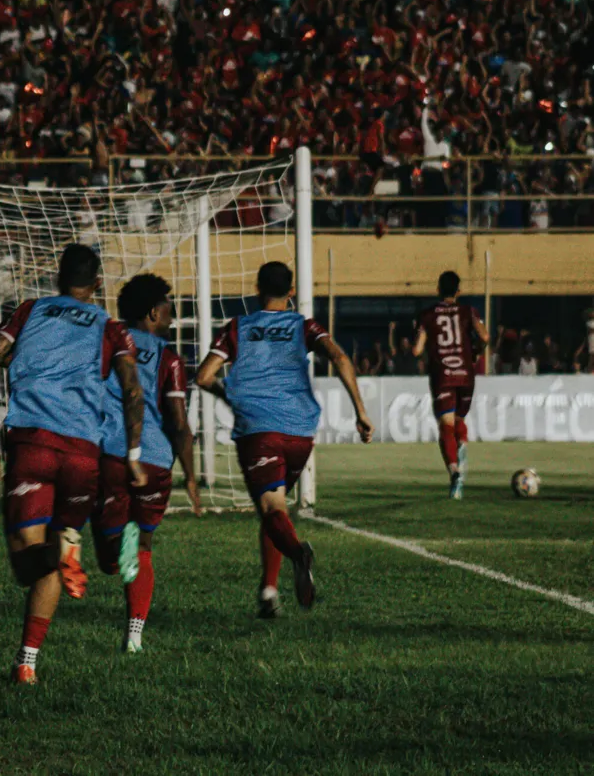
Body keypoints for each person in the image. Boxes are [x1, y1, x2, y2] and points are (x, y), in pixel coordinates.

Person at [0, 244, 146, 684]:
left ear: (56, 279)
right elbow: (132, 390)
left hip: (32, 447)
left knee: (28, 563)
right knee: (52, 556)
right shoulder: (110, 327)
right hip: (83, 456)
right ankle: (26, 661)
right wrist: (135, 454)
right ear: (98, 284)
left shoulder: (31, 310)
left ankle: (57, 555)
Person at [194, 262, 373, 619]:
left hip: (259, 430)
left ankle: (298, 555)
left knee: (272, 509)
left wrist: (228, 394)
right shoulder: (303, 325)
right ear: (291, 292)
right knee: (275, 509)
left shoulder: (238, 327)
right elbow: (338, 356)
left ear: (257, 288)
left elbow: (203, 376)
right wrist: (361, 411)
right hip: (299, 432)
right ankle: (268, 591)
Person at [92, 274, 200, 654]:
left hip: (110, 456)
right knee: (143, 548)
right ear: (154, 312)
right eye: (169, 306)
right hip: (154, 461)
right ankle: (134, 634)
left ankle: (114, 542)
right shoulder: (169, 359)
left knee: (109, 557)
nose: (173, 314)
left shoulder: (104, 344)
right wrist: (189, 475)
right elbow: (179, 421)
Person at [412, 271, 490, 499]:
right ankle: (463, 444)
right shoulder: (468, 311)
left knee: (446, 427)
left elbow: (417, 350)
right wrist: (475, 352)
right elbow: (484, 337)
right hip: (466, 373)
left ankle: (454, 471)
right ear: (459, 291)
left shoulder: (427, 315)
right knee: (459, 421)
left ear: (438, 289)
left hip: (443, 374)